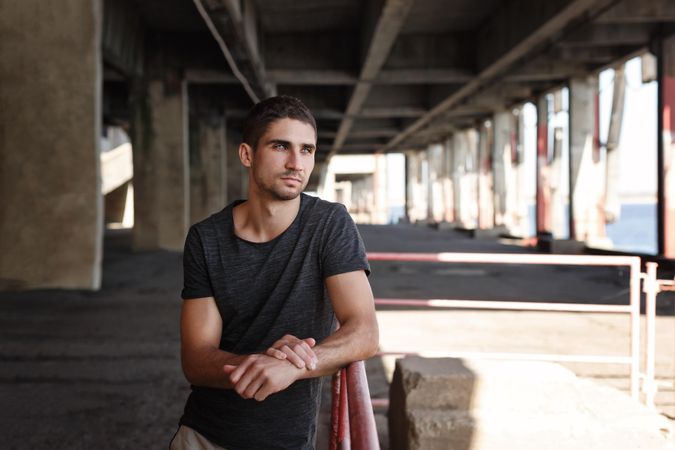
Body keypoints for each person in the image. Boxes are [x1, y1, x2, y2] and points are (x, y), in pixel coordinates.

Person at [171, 95, 379, 450]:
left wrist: (294, 367)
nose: (296, 163)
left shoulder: (329, 224)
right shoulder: (206, 238)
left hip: (286, 441)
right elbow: (196, 359)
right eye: (281, 146)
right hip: (204, 436)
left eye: (307, 149)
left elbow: (365, 332)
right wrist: (261, 365)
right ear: (247, 155)